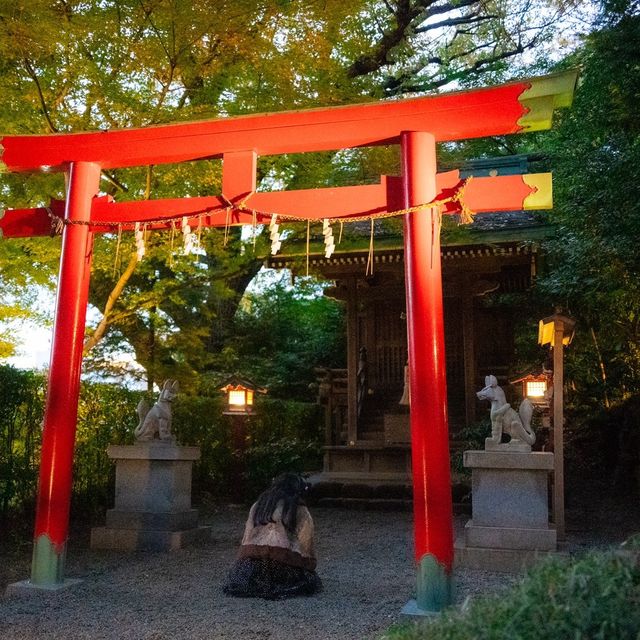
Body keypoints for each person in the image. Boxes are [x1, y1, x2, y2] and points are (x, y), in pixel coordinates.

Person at [222, 472, 322, 600]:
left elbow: (247, 535)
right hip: (282, 564)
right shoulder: (298, 508)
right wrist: (309, 563)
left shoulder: (258, 505)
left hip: (250, 564)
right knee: (305, 581)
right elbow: (306, 541)